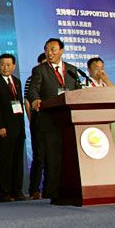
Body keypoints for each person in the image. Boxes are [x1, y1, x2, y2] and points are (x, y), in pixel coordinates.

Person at [27, 38, 81, 204]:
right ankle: (52, 191)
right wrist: (35, 99)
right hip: (48, 119)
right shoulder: (39, 70)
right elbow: (33, 89)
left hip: (69, 119)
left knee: (69, 156)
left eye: (53, 49)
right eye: (47, 50)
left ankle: (72, 188)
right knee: (51, 157)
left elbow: (78, 91)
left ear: (61, 51)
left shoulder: (71, 70)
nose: (49, 53)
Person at [0, 54, 27, 203]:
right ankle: (4, 193)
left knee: (18, 161)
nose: (5, 67)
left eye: (8, 64)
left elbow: (19, 105)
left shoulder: (17, 81)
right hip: (4, 128)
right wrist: (0, 126)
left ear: (14, 66)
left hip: (18, 128)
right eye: (2, 64)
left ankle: (17, 191)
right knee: (5, 161)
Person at [25, 53, 46, 200]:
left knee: (53, 156)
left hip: (55, 121)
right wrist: (31, 120)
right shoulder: (32, 79)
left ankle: (51, 187)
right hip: (38, 120)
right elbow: (27, 101)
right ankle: (34, 189)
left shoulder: (58, 77)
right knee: (39, 156)